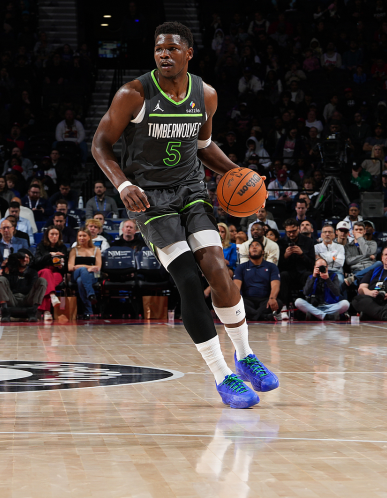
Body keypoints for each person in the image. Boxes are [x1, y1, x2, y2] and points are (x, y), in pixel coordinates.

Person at [92, 21, 278, 409]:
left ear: (188, 53)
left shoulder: (205, 95)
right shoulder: (133, 94)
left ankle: (245, 356)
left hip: (191, 190)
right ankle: (222, 376)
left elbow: (204, 146)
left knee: (218, 269)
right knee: (189, 281)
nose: (164, 54)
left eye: (172, 48)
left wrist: (241, 177)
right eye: (159, 49)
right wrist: (123, 185)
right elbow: (101, 144)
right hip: (150, 200)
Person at [232, 241, 282, 320]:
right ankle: (264, 316)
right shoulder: (241, 267)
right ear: (248, 252)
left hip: (265, 300)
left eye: (257, 245)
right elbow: (236, 287)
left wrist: (272, 298)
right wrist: (237, 301)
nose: (254, 247)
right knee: (236, 304)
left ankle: (251, 315)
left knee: (278, 302)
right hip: (247, 300)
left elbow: (275, 284)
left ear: (263, 252)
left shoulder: (272, 267)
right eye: (252, 246)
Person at [0, 251, 47, 321]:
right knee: (1, 279)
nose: (24, 259)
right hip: (12, 298)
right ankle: (5, 310)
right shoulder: (11, 270)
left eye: (27, 257)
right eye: (22, 257)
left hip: (27, 299)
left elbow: (30, 288)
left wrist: (17, 288)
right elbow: (8, 286)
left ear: (29, 260)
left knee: (42, 280)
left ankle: (34, 310)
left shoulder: (33, 272)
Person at [33, 226, 67, 316]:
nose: (54, 236)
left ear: (59, 236)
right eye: (52, 234)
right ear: (47, 235)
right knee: (46, 272)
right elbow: (37, 262)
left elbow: (66, 267)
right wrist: (50, 254)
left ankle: (45, 311)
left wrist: (61, 266)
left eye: (56, 234)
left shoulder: (62, 247)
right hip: (42, 272)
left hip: (56, 273)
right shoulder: (41, 246)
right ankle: (52, 297)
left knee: (46, 285)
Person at [68, 228, 101, 317]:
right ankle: (91, 294)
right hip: (76, 274)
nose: (81, 238)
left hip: (93, 275)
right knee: (83, 270)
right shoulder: (74, 250)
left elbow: (98, 267)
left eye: (84, 236)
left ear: (89, 237)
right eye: (80, 236)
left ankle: (88, 311)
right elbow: (70, 267)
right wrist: (88, 267)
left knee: (80, 281)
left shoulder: (96, 250)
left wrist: (79, 266)